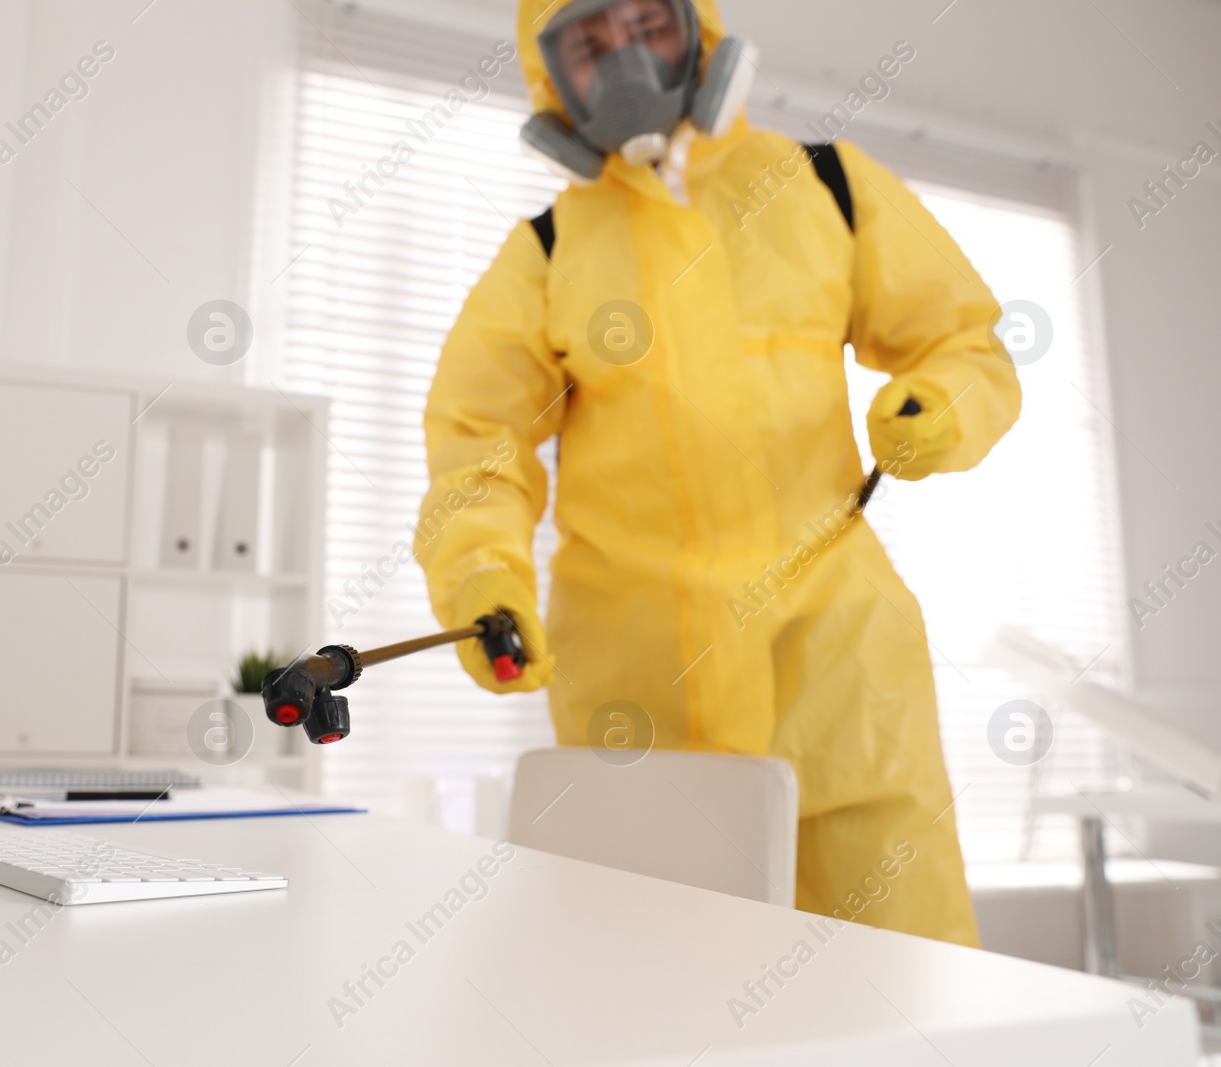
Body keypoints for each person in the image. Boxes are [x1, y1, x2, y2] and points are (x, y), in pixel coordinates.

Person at [415, 0, 1020, 947]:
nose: (622, 58)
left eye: (644, 24)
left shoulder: (825, 186)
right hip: (641, 698)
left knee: (901, 991)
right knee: (653, 1000)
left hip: (844, 679)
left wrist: (938, 407)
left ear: (696, 27)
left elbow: (963, 341)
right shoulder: (545, 254)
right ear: (551, 80)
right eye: (588, 42)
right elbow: (477, 444)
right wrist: (483, 575)